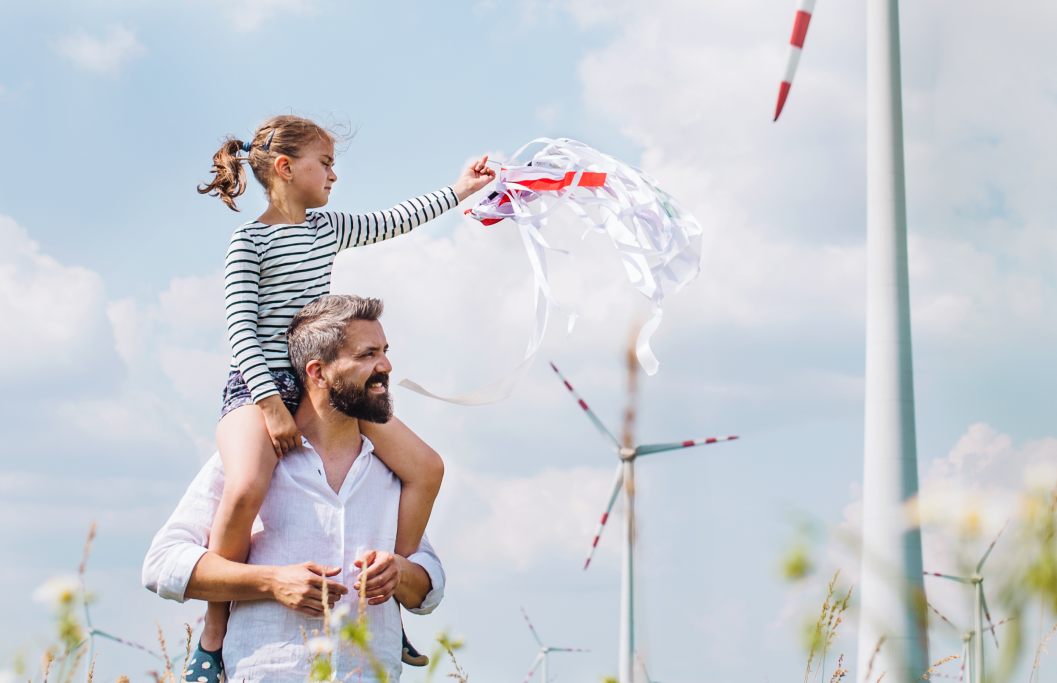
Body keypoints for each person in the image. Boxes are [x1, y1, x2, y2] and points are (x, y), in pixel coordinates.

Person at [195, 114, 495, 677]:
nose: (334, 176)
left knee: (426, 466)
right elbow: (239, 330)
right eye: (326, 163)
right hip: (258, 384)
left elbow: (396, 219)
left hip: (324, 383)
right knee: (247, 484)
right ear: (286, 168)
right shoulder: (249, 239)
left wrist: (462, 189)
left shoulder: (327, 229)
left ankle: (390, 589)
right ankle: (214, 632)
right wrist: (269, 407)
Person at [144, 295, 443, 683]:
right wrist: (271, 582)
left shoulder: (394, 470)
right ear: (317, 373)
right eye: (367, 354)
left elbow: (428, 588)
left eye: (384, 351)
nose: (385, 365)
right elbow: (162, 564)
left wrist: (401, 573)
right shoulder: (250, 461)